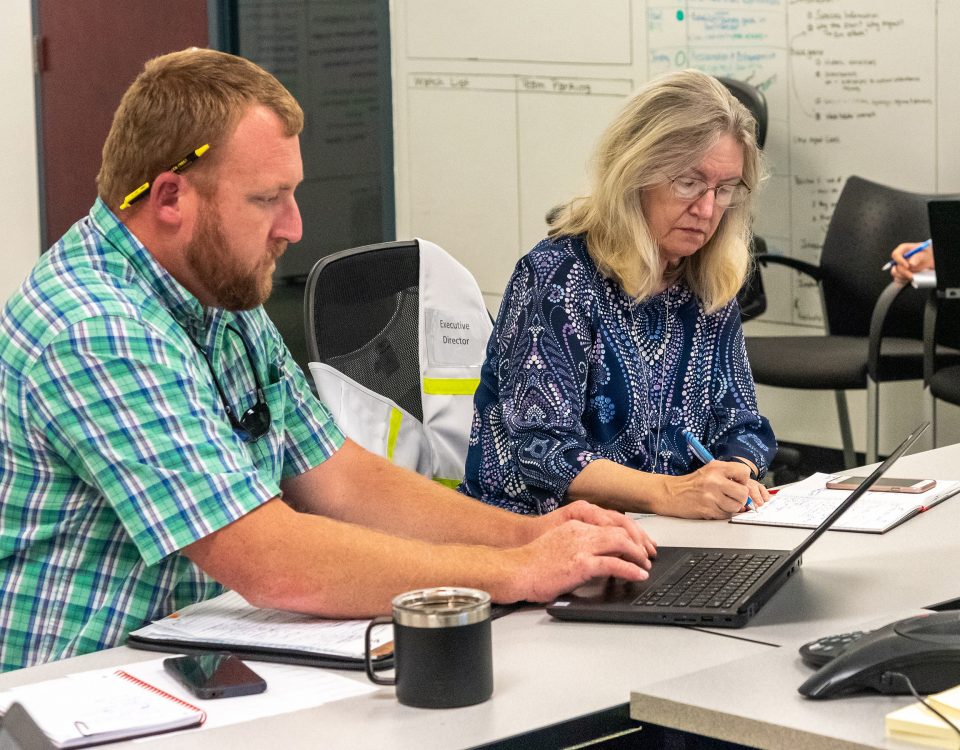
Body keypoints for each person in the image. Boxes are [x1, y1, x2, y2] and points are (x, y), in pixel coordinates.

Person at [0, 48, 657, 673]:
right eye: (266, 199)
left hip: (191, 657)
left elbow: (338, 477)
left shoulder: (212, 291)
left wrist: (524, 536)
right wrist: (517, 573)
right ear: (171, 198)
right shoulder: (98, 330)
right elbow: (267, 558)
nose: (294, 227)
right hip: (75, 692)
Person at [460, 70, 776, 520]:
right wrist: (670, 492)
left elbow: (742, 424)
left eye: (724, 190)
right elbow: (541, 451)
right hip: (535, 537)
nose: (707, 210)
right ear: (635, 171)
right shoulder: (558, 276)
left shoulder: (707, 279)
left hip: (665, 534)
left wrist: (733, 475)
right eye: (688, 183)